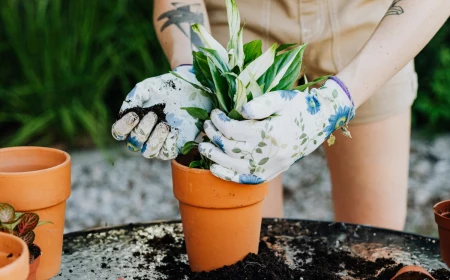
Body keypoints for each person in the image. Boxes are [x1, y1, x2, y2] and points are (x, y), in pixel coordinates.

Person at [111, 0, 450, 231]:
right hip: (240, 26)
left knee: (375, 248)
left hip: (372, 25)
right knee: (245, 256)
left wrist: (337, 99)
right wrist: (193, 68)